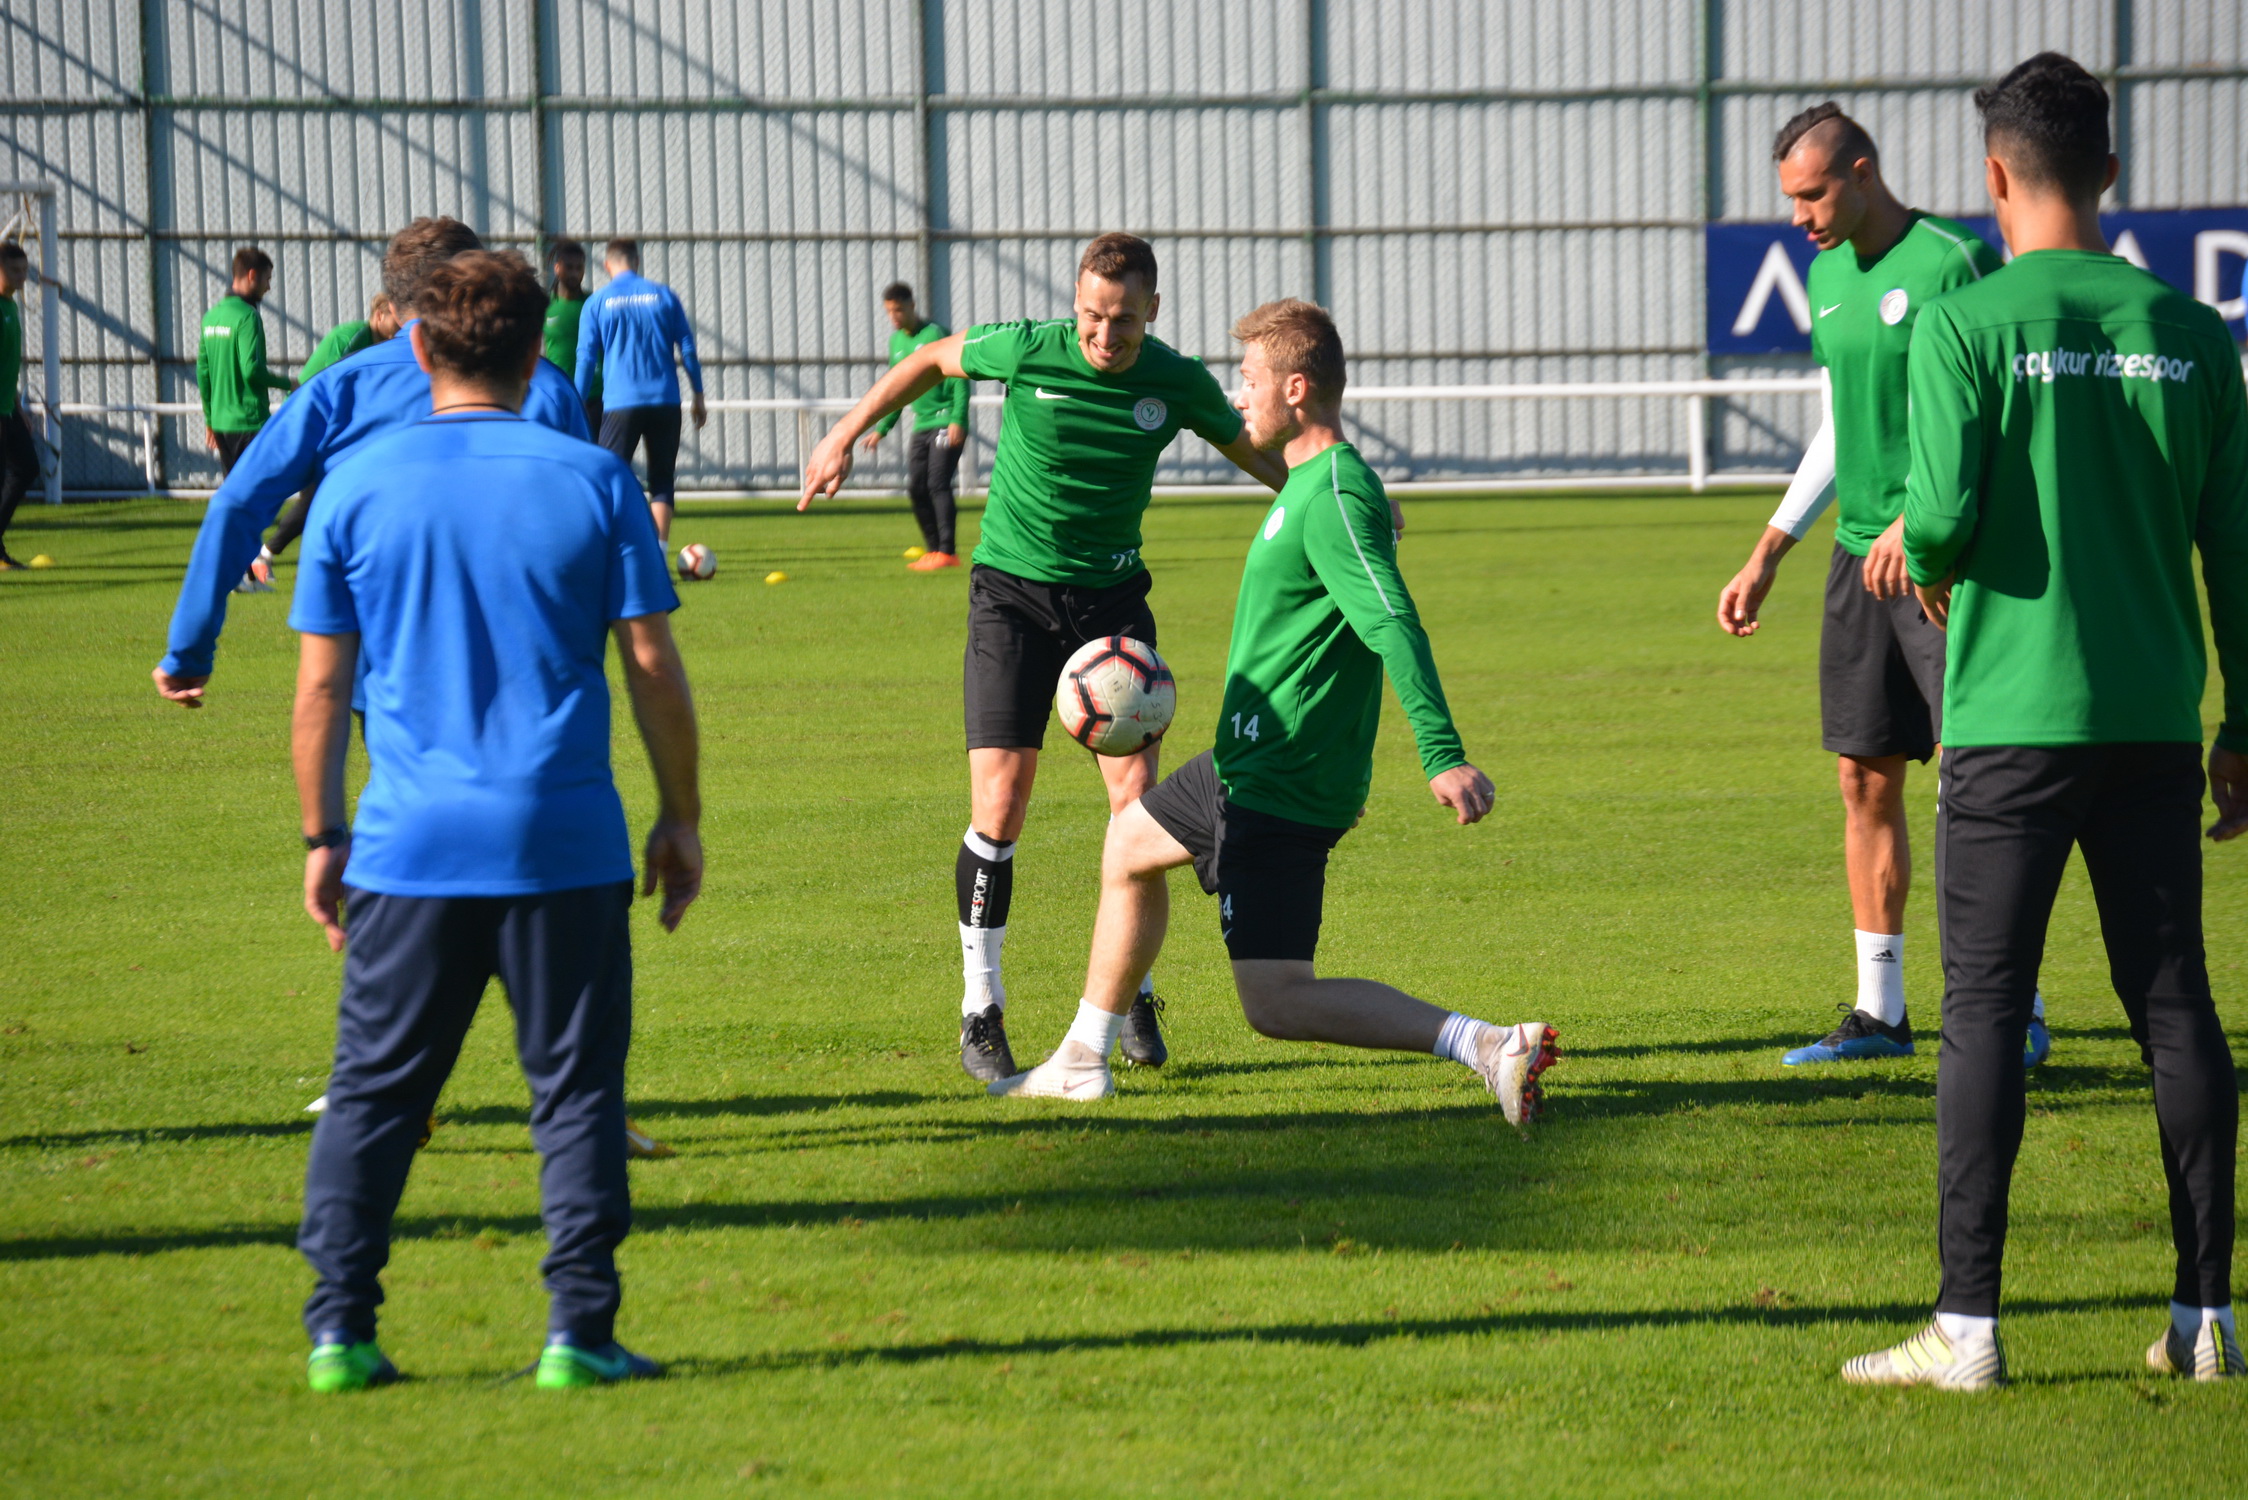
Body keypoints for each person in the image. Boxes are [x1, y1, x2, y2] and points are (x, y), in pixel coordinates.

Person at [1843, 52, 2246, 1391]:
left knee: (1984, 1011)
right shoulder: (2195, 335)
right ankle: (2205, 1322)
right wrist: (2240, 728)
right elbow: (2235, 560)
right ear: (2113, 177)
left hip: (2014, 718)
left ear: (1995, 177)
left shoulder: (1973, 317)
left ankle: (1969, 1330)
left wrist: (1913, 537)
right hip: (2150, 721)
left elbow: (1947, 515)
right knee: (2175, 1008)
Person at [287, 249, 701, 1393]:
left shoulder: (357, 486)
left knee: (373, 1095)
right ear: (538, 354)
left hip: (406, 846)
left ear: (415, 348)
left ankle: (339, 1333)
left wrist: (324, 839)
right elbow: (651, 662)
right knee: (574, 1096)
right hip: (562, 841)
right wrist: (681, 817)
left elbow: (324, 691)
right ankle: (578, 1334)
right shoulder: (592, 480)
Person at [989, 299, 1556, 1118]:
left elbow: (1392, 620)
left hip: (1283, 780)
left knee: (1276, 1001)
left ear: (1295, 389)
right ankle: (1083, 1056)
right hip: (1246, 763)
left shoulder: (1331, 493)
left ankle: (1487, 1043)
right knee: (1126, 846)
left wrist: (1443, 753)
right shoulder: (1305, 484)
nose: (1237, 395)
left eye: (1249, 379)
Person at [800, 233, 1290, 1083]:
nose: (1107, 337)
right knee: (1001, 802)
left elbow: (1263, 458)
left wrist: (1344, 495)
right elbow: (927, 361)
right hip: (1012, 599)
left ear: (1154, 312)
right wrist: (846, 430)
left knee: (1138, 810)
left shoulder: (1174, 381)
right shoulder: (1029, 348)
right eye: (1095, 317)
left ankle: (1125, 991)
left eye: (1125, 321)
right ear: (1076, 306)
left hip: (1111, 608)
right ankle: (980, 1009)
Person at [1714, 105, 2052, 1070]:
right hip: (1855, 562)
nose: (1801, 217)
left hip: (1946, 564)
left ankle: (2016, 1006)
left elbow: (2000, 412)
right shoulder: (1824, 277)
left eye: (1814, 193)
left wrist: (1923, 518)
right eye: (1790, 200)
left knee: (1975, 784)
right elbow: (1844, 424)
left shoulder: (1953, 265)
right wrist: (1770, 547)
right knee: (1864, 777)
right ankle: (1883, 1015)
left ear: (1864, 172)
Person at [153, 218, 590, 708]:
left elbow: (236, 505)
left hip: (382, 668)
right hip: (528, 665)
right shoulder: (546, 385)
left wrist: (188, 649)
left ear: (395, 301)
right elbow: (587, 522)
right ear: (478, 282)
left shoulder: (337, 390)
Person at [245, 293, 405, 586]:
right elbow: (327, 384)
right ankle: (260, 558)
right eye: (396, 318)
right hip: (313, 423)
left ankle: (274, 558)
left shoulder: (375, 343)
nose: (399, 327)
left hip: (324, 424)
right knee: (316, 497)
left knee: (330, 497)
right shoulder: (355, 336)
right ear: (380, 314)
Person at [576, 239, 703, 541]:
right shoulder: (663, 295)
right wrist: (698, 393)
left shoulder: (597, 302)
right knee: (661, 480)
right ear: (637, 261)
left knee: (608, 477)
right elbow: (686, 347)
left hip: (621, 403)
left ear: (607, 265)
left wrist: (577, 402)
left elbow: (586, 358)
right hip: (665, 400)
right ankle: (658, 555)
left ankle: (618, 552)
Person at [859, 281, 969, 569]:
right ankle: (933, 551)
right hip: (922, 424)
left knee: (937, 483)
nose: (894, 316)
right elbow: (898, 389)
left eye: (898, 310)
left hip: (945, 419)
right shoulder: (896, 343)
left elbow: (959, 376)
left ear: (912, 306)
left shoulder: (935, 333)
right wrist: (882, 429)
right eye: (889, 312)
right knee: (917, 488)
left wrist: (959, 418)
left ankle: (948, 551)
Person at [196, 246, 295, 479]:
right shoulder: (248, 316)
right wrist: (288, 383)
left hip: (221, 423)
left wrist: (210, 419)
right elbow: (251, 370)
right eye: (267, 279)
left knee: (234, 490)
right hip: (249, 421)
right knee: (261, 489)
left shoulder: (212, 316)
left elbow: (203, 371)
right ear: (252, 275)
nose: (268, 287)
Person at [0, 242, 36, 571]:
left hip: (6, 408)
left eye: (24, 270)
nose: (22, 276)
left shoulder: (10, 306)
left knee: (27, 467)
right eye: (15, 270)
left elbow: (8, 365)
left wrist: (17, 406)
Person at [544, 239, 602, 430]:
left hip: (593, 397)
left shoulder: (594, 304)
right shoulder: (544, 306)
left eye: (579, 267)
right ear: (557, 268)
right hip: (558, 395)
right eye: (569, 267)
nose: (575, 273)